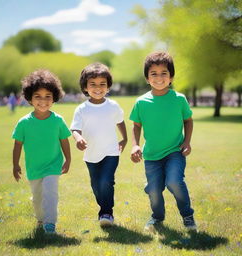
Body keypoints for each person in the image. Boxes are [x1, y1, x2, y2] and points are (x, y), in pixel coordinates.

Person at [130, 51, 197, 231]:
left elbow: (188, 121)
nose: (159, 77)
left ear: (171, 77)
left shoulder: (179, 99)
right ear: (147, 78)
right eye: (154, 73)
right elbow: (136, 126)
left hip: (175, 151)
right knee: (154, 191)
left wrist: (187, 142)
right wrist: (135, 144)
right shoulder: (141, 102)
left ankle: (187, 215)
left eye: (164, 73)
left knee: (174, 182)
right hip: (151, 155)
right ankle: (157, 217)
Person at [12, 69, 71, 234]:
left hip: (53, 165)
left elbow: (64, 141)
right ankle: (40, 218)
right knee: (37, 199)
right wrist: (15, 165)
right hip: (34, 167)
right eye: (38, 96)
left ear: (54, 98)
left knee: (50, 192)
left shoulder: (58, 120)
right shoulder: (24, 123)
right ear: (30, 98)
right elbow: (17, 145)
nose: (43, 101)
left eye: (48, 96)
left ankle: (50, 223)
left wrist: (68, 160)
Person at [70, 63, 127, 227]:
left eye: (102, 84)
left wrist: (124, 138)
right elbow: (75, 128)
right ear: (85, 87)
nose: (98, 88)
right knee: (96, 185)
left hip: (111, 152)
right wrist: (78, 138)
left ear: (108, 86)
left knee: (106, 181)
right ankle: (104, 206)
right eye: (93, 84)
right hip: (91, 155)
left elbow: (120, 121)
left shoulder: (113, 106)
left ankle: (107, 213)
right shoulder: (82, 109)